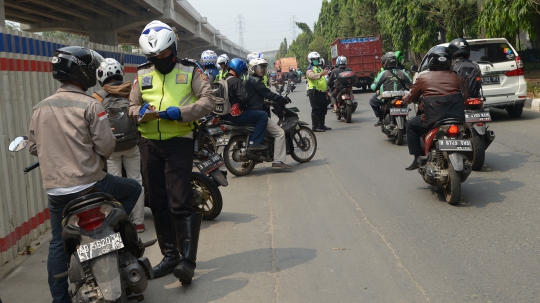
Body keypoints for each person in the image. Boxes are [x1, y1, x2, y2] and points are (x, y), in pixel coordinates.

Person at [28, 46, 141, 303]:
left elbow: (35, 147)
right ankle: (119, 241)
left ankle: (60, 299)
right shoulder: (91, 105)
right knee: (133, 188)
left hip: (57, 193)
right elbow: (106, 146)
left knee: (57, 241)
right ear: (81, 73)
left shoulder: (40, 108)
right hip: (92, 185)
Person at [129, 20, 217, 284]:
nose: (159, 59)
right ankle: (170, 256)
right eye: (153, 56)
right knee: (157, 201)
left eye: (164, 54)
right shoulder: (142, 73)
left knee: (180, 201)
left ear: (173, 49)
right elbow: (131, 105)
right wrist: (139, 113)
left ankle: (187, 261)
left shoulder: (190, 70)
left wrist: (183, 113)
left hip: (179, 141)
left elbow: (209, 100)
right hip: (148, 144)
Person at [93, 58, 146, 233]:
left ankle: (119, 221)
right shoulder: (131, 91)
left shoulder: (98, 97)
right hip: (131, 144)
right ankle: (139, 222)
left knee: (115, 182)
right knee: (136, 180)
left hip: (111, 148)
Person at [403, 46, 468, 170]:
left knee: (411, 126)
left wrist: (405, 99)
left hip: (432, 119)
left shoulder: (423, 78)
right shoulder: (459, 77)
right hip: (457, 118)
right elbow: (465, 97)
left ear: (431, 61)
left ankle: (417, 158)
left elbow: (411, 97)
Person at [245, 57, 293, 169]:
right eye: (259, 67)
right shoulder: (256, 81)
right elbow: (268, 94)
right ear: (252, 69)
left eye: (263, 67)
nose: (261, 70)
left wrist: (266, 102)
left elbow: (255, 97)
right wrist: (283, 99)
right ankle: (278, 161)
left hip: (252, 110)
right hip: (257, 113)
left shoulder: (249, 80)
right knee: (280, 133)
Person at [220, 58, 269, 150]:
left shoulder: (223, 80)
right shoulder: (236, 81)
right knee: (263, 115)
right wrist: (245, 106)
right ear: (238, 69)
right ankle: (255, 142)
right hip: (235, 115)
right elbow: (244, 98)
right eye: (242, 71)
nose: (242, 73)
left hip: (224, 115)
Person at [370, 52, 412, 126]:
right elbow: (411, 84)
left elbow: (373, 87)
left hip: (386, 98)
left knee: (372, 101)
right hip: (401, 97)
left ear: (385, 63)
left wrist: (375, 88)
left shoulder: (383, 73)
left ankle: (380, 118)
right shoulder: (403, 73)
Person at [306, 51, 330, 132]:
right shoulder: (310, 69)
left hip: (322, 92)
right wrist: (321, 74)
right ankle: (315, 127)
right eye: (314, 59)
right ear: (310, 60)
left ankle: (322, 125)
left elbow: (323, 81)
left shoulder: (319, 68)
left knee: (323, 109)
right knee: (316, 109)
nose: (316, 60)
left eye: (317, 59)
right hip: (314, 92)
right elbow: (311, 76)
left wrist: (326, 91)